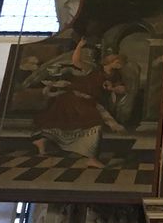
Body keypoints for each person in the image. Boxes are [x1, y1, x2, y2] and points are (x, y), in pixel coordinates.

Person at [29, 37, 125, 167]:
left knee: (82, 124)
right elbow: (76, 61)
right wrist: (79, 46)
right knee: (92, 123)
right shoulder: (93, 69)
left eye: (121, 63)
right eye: (118, 62)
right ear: (110, 61)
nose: (120, 65)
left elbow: (121, 89)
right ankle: (91, 158)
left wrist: (113, 88)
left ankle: (42, 142)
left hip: (88, 101)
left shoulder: (115, 75)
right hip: (74, 98)